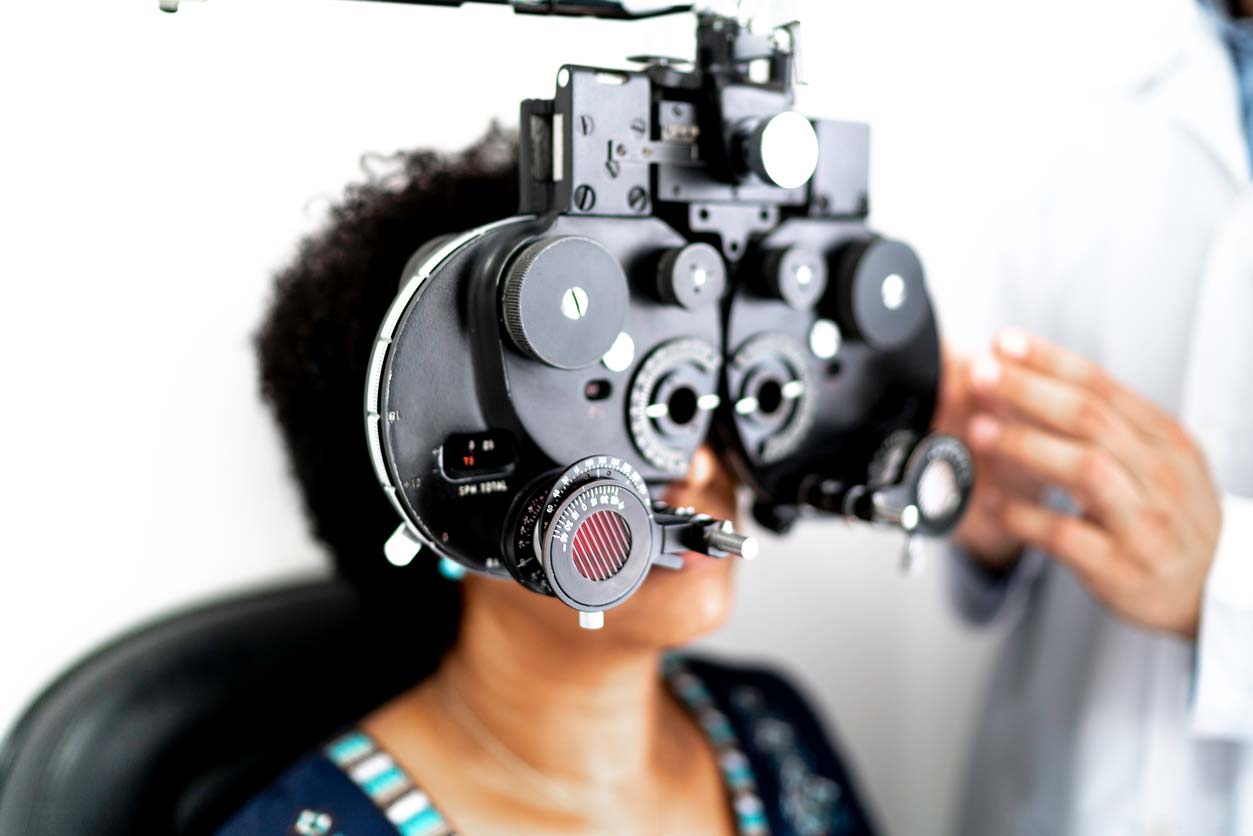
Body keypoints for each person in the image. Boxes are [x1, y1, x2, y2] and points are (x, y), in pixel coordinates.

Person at [214, 130, 877, 836]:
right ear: (436, 469)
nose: (697, 468)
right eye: (600, 413)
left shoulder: (771, 729)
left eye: (684, 395)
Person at [934, 1, 1253, 833]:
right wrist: (984, 515)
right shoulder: (1080, 102)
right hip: (1053, 792)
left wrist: (1223, 585)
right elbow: (983, 563)